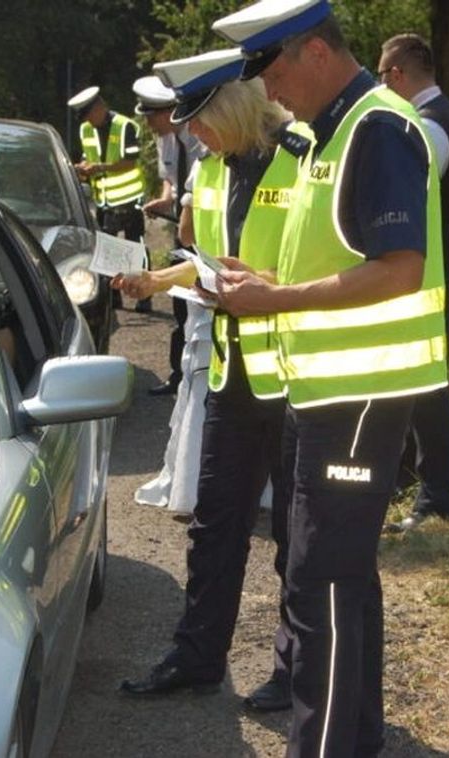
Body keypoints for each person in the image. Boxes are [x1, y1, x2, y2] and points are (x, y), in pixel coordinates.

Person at [211, 1, 448, 755]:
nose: (269, 92)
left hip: (360, 394)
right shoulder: (330, 132)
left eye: (273, 71)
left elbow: (398, 269)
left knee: (322, 581)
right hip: (330, 393)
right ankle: (354, 737)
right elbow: (335, 259)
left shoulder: (376, 128)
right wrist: (268, 282)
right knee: (338, 577)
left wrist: (275, 300)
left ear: (315, 51)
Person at [115, 48, 311, 713]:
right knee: (214, 524)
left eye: (199, 121)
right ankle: (197, 658)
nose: (192, 135)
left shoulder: (303, 157)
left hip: (298, 380)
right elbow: (209, 262)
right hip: (234, 375)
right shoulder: (215, 166)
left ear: (232, 109)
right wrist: (157, 279)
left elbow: (330, 268)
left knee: (296, 534)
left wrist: (267, 288)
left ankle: (297, 669)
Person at [377, 33, 449, 533]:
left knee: (428, 380)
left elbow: (412, 201)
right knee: (416, 375)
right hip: (440, 265)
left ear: (397, 74)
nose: (380, 85)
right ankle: (411, 475)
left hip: (437, 269)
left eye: (381, 75)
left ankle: (437, 495)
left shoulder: (430, 126)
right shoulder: (442, 116)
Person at [133, 74, 207, 396]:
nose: (148, 124)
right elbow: (171, 179)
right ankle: (179, 375)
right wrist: (164, 199)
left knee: (201, 303)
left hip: (204, 233)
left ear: (168, 113)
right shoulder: (166, 138)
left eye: (151, 117)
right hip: (181, 229)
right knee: (179, 303)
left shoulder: (200, 135)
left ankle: (199, 373)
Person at [68, 85, 152, 313]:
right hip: (104, 200)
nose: (88, 121)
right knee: (108, 250)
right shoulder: (86, 129)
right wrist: (83, 168)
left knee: (135, 247)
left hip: (129, 197)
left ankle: (145, 294)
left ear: (100, 107)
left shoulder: (125, 126)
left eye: (89, 115)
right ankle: (114, 296)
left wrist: (99, 167)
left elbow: (130, 162)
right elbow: (88, 156)